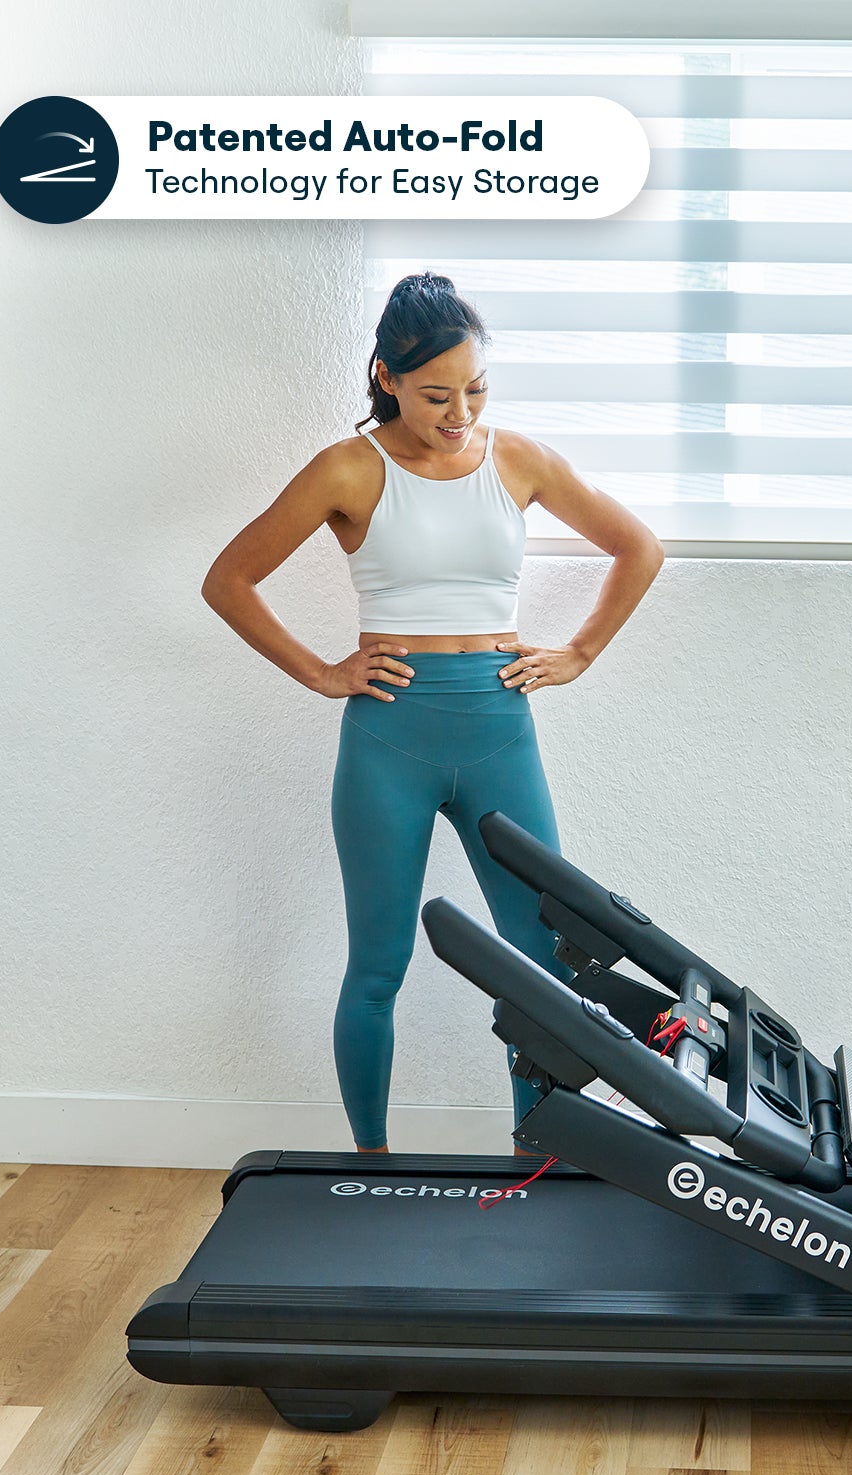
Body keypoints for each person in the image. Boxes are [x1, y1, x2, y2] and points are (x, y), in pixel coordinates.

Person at [201, 271, 664, 1153]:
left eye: (475, 390)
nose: (460, 414)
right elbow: (229, 580)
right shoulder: (348, 469)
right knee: (379, 966)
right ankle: (370, 1164)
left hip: (499, 730)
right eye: (436, 395)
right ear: (387, 377)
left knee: (540, 966)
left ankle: (535, 1156)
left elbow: (638, 547)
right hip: (391, 738)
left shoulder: (518, 460)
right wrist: (320, 672)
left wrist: (579, 653)